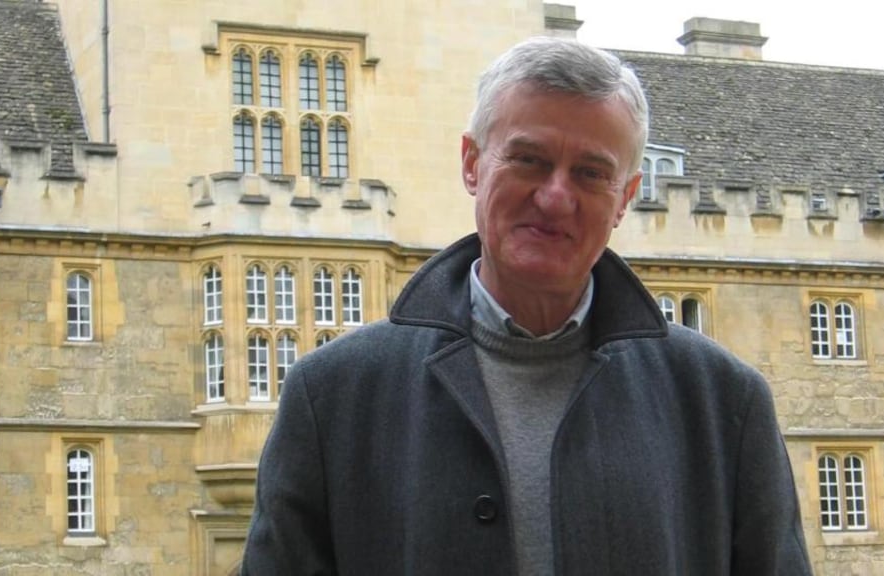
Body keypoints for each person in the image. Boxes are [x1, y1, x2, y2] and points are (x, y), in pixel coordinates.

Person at [241, 36, 812, 576]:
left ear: (625, 199)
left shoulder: (723, 403)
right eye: (529, 160)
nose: (556, 197)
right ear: (472, 163)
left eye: (590, 173)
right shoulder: (332, 396)